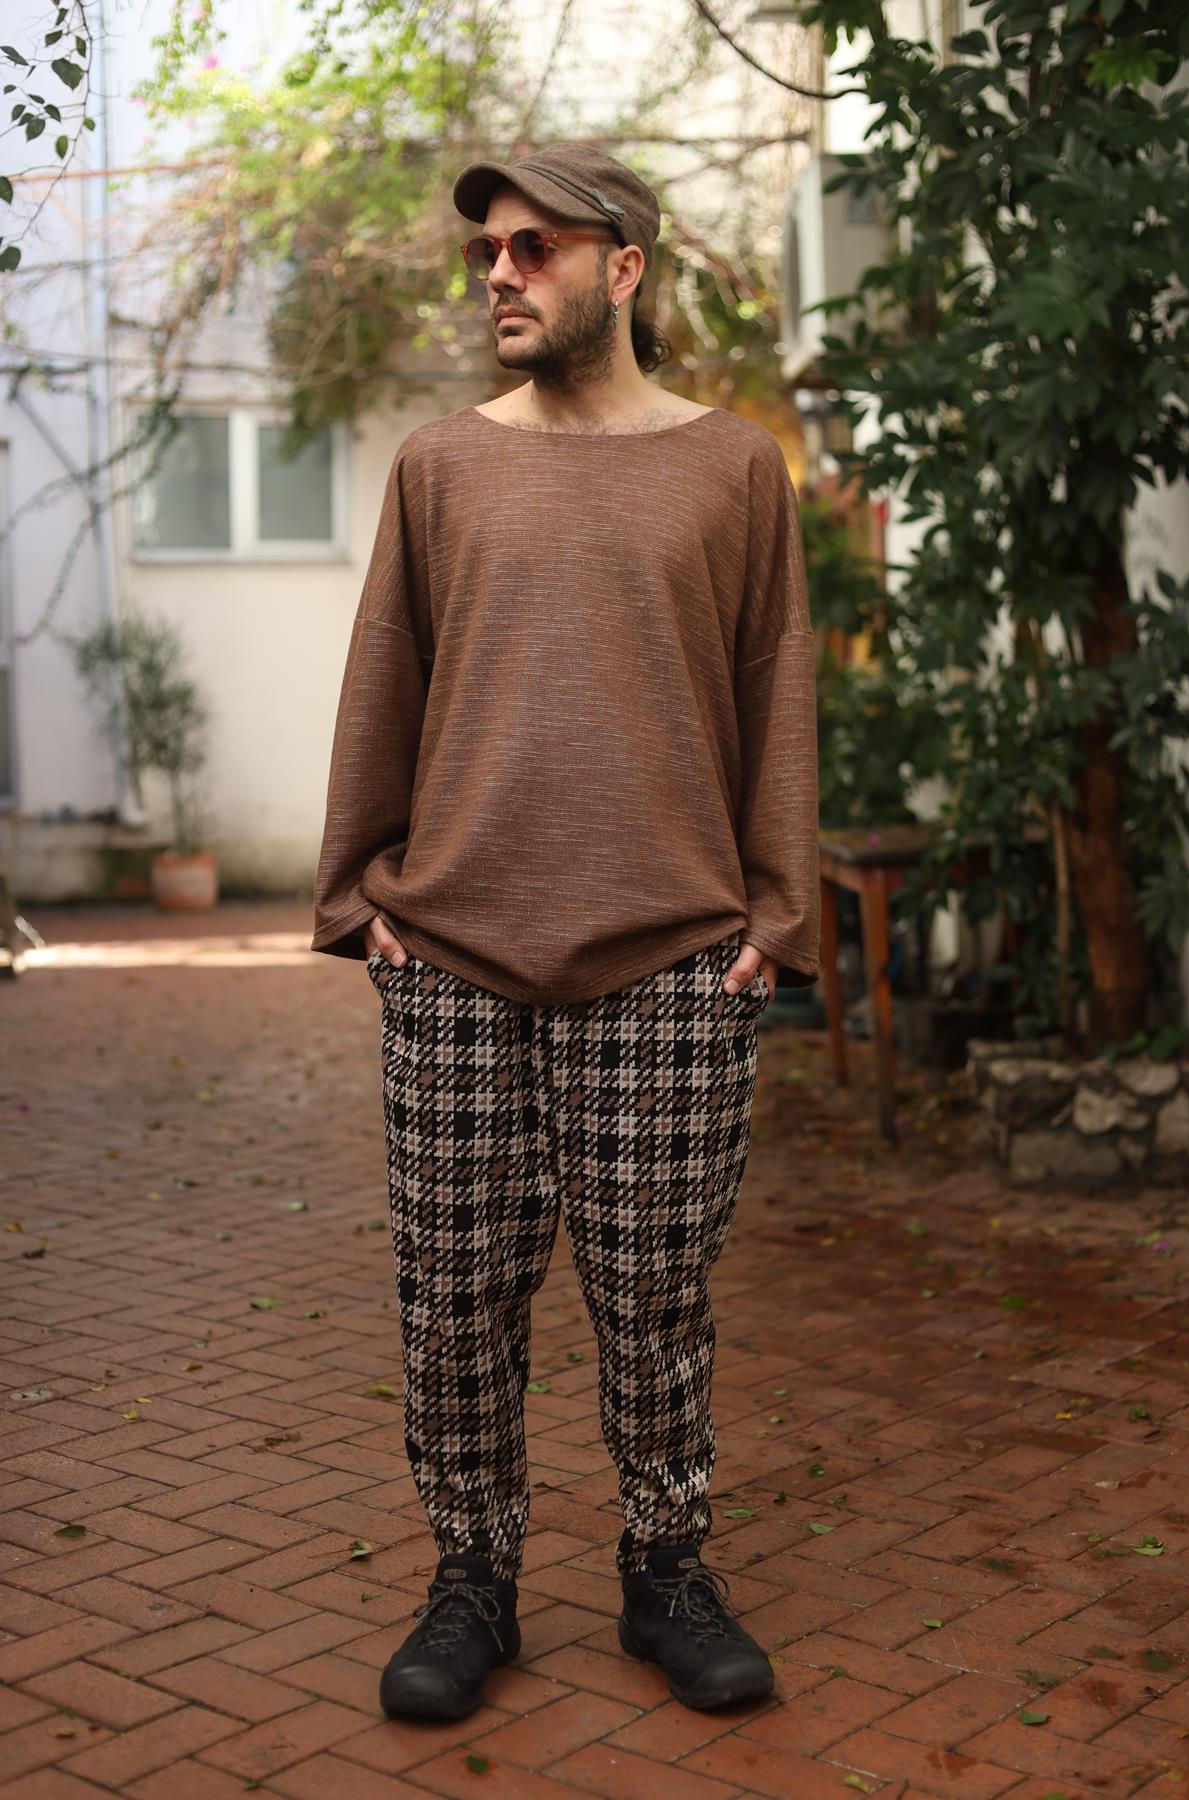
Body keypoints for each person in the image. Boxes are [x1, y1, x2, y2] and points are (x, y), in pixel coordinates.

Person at [310, 141, 820, 1722]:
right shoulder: (440, 466)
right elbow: (387, 671)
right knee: (455, 1299)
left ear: (625, 267)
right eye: (489, 252)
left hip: (670, 954)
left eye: (536, 247)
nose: (501, 274)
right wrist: (362, 894)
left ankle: (666, 1570)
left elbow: (776, 686)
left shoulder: (733, 469)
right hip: (456, 954)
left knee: (655, 1298)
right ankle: (475, 1580)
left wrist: (775, 914)